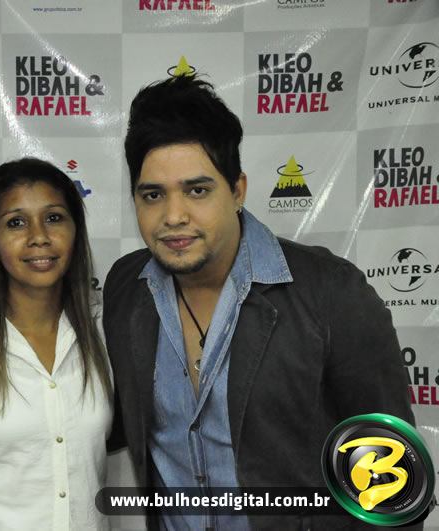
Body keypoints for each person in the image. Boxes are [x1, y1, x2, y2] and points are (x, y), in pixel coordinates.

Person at [103, 74, 415, 530]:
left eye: (197, 190)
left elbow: (393, 480)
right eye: (153, 195)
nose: (173, 216)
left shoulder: (330, 293)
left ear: (237, 190)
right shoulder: (127, 287)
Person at [0, 158, 113, 530]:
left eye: (53, 218)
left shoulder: (103, 331)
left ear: (76, 231)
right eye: (16, 223)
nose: (39, 236)